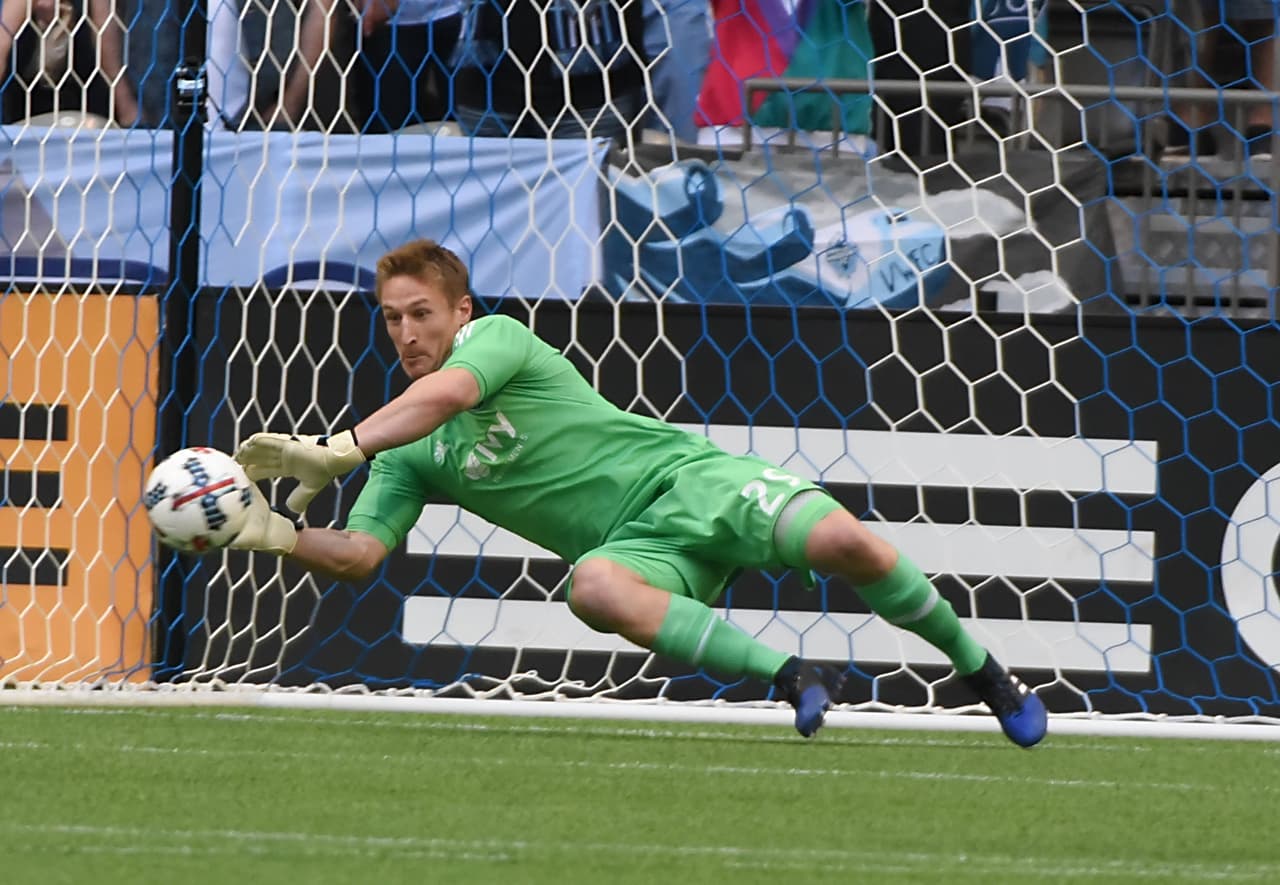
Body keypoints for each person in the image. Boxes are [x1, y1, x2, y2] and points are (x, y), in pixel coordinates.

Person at [227, 238, 1048, 746]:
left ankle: (982, 671)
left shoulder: (496, 339)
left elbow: (449, 393)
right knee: (591, 586)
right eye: (391, 318)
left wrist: (341, 446)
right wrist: (269, 532)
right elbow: (362, 553)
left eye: (421, 313)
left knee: (848, 543)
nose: (407, 333)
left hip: (688, 483)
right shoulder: (404, 449)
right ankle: (793, 674)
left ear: (461, 311)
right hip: (638, 548)